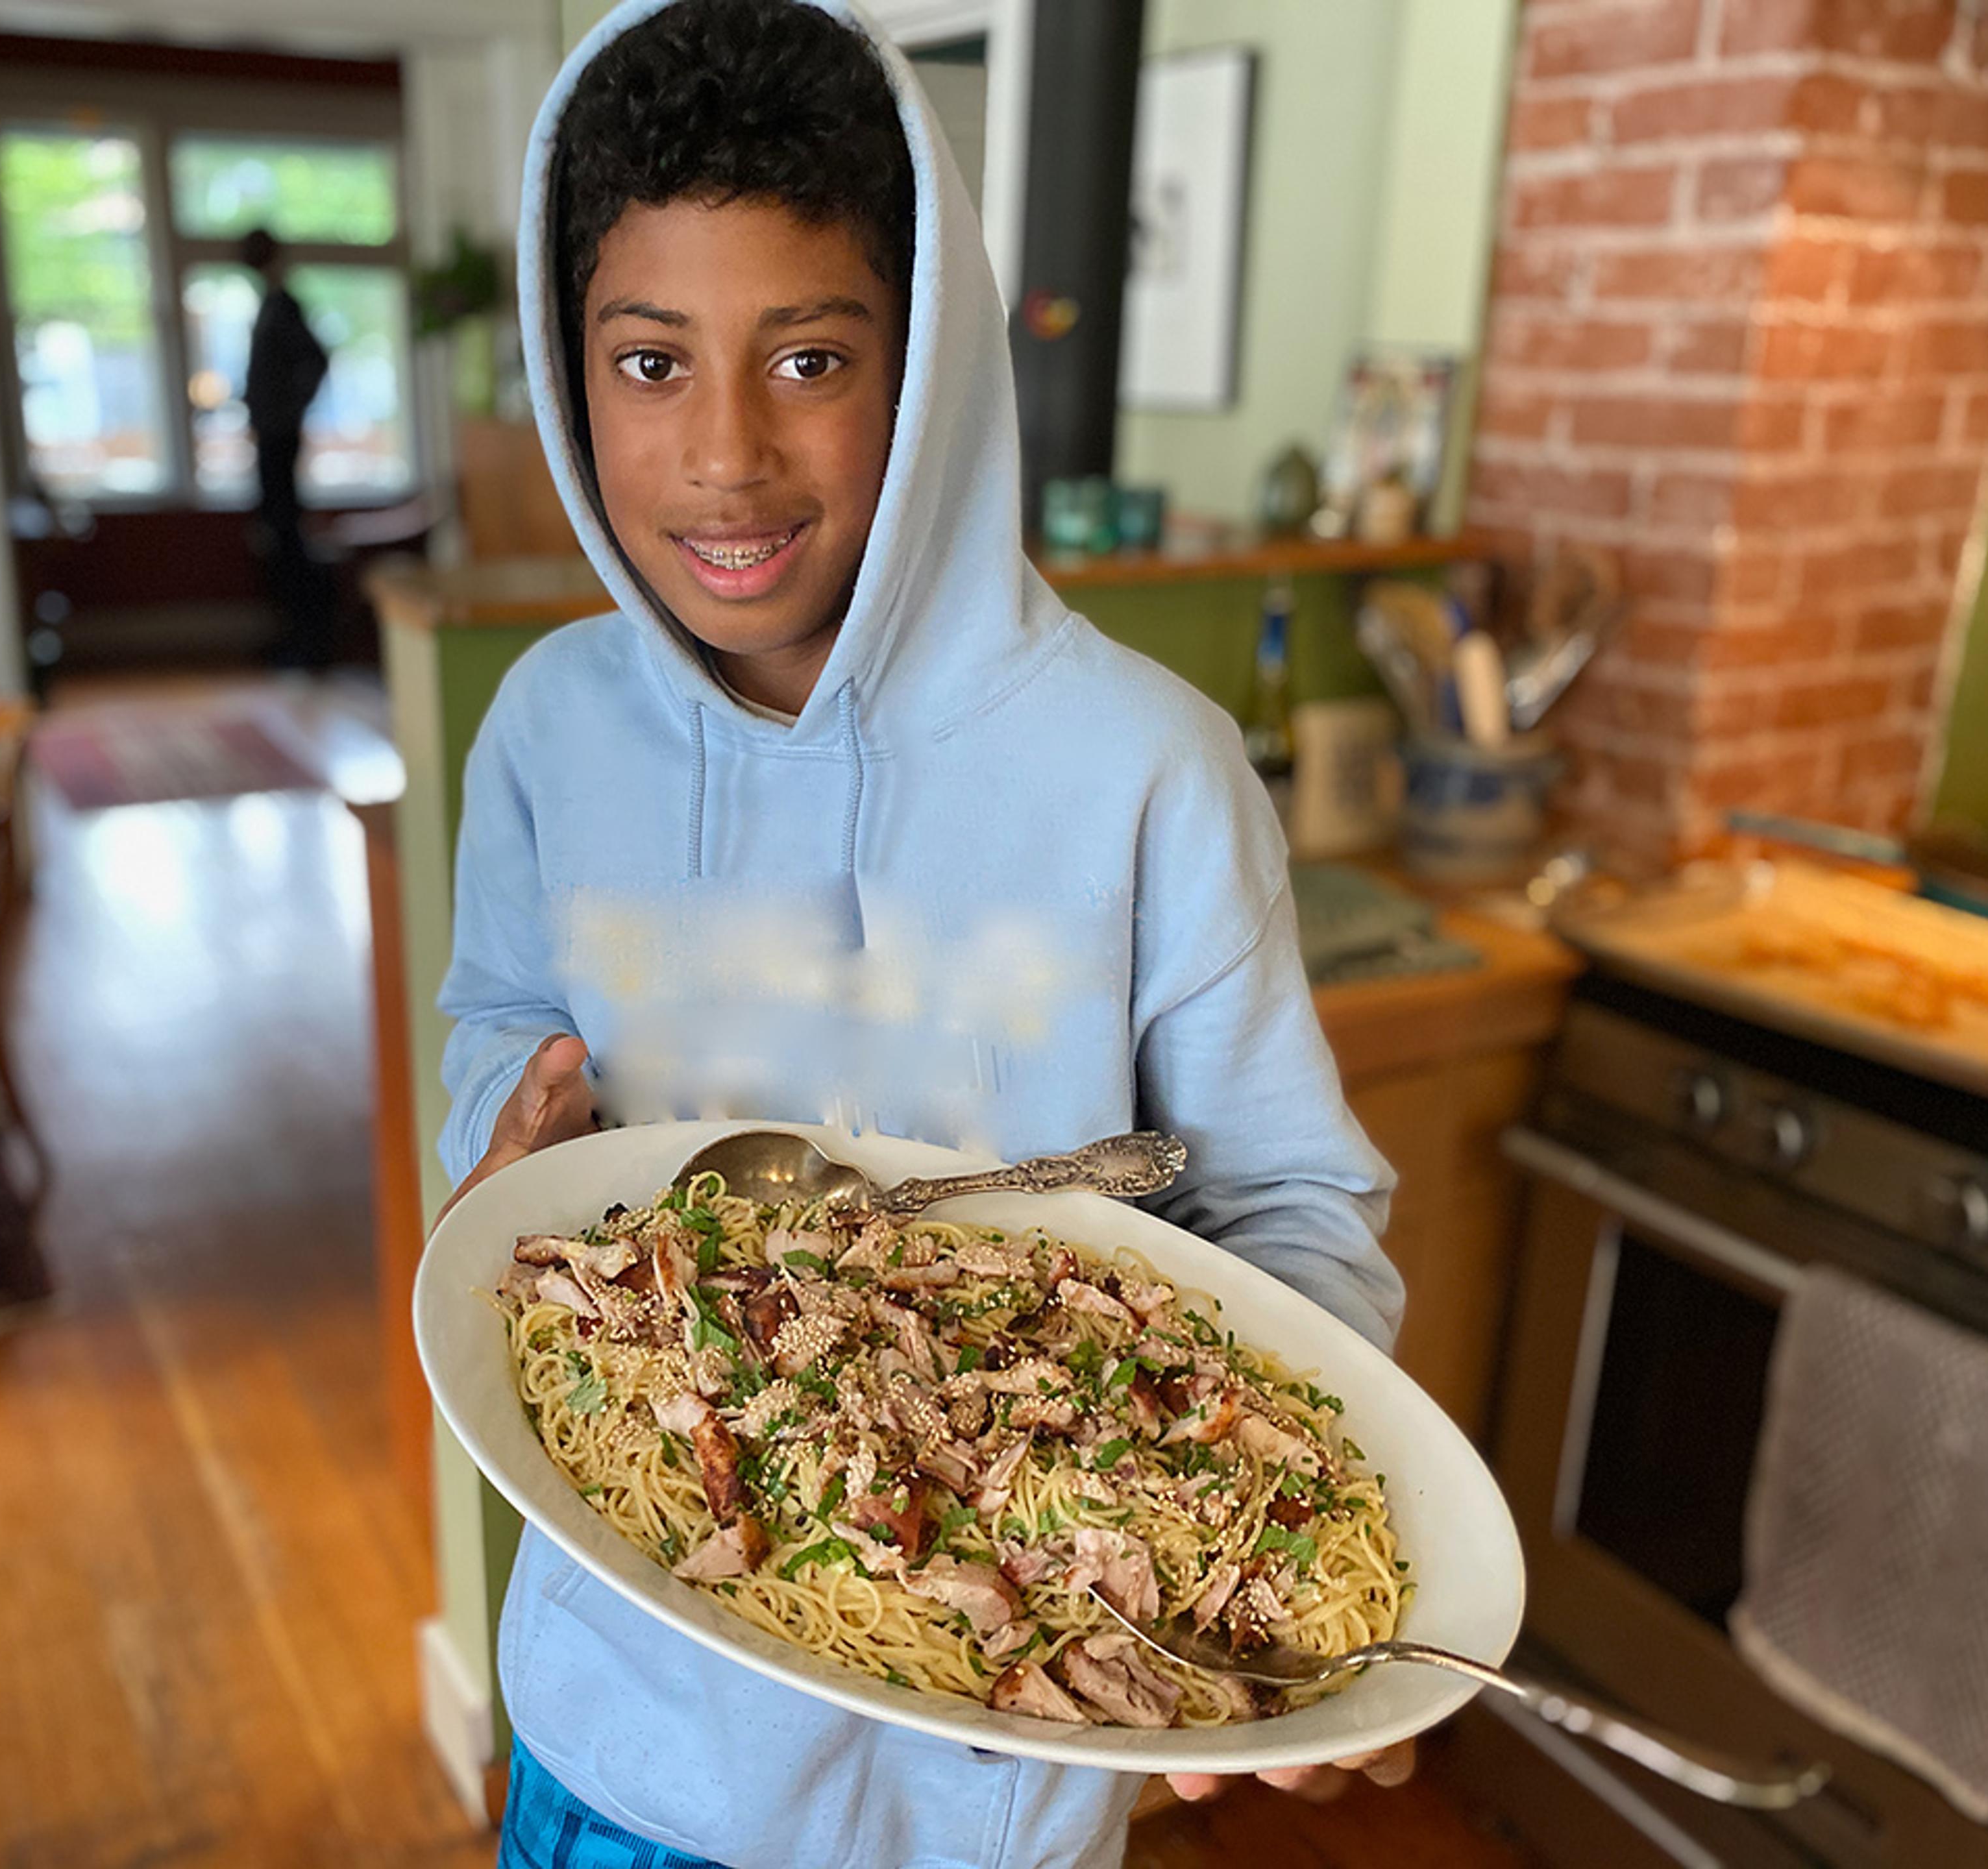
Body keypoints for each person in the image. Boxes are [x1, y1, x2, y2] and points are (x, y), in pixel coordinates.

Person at [438, 4, 1410, 1864]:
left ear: (937, 363)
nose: (723, 456)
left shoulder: (1148, 767)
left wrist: (1268, 1548)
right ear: (572, 379)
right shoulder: (549, 732)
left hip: (1003, 1776)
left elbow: (1287, 1207)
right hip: (625, 1721)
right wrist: (503, 1142)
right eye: (650, 363)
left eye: (808, 357)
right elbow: (498, 1020)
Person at [239, 226, 332, 667]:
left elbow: (315, 358)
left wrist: (287, 413)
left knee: (286, 534)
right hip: (271, 436)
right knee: (277, 535)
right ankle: (295, 639)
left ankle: (308, 642)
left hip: (279, 438)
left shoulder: (283, 305)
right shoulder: (268, 305)